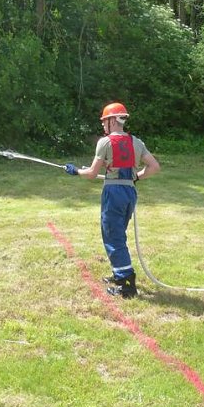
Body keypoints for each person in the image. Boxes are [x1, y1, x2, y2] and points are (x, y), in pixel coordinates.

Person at [65, 103, 160, 298]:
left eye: (104, 121)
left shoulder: (105, 142)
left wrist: (75, 171)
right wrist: (135, 177)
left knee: (113, 236)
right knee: (118, 233)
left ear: (112, 120)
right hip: (129, 192)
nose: (102, 126)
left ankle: (126, 285)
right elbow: (154, 167)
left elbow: (92, 174)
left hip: (113, 192)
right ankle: (119, 272)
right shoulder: (136, 142)